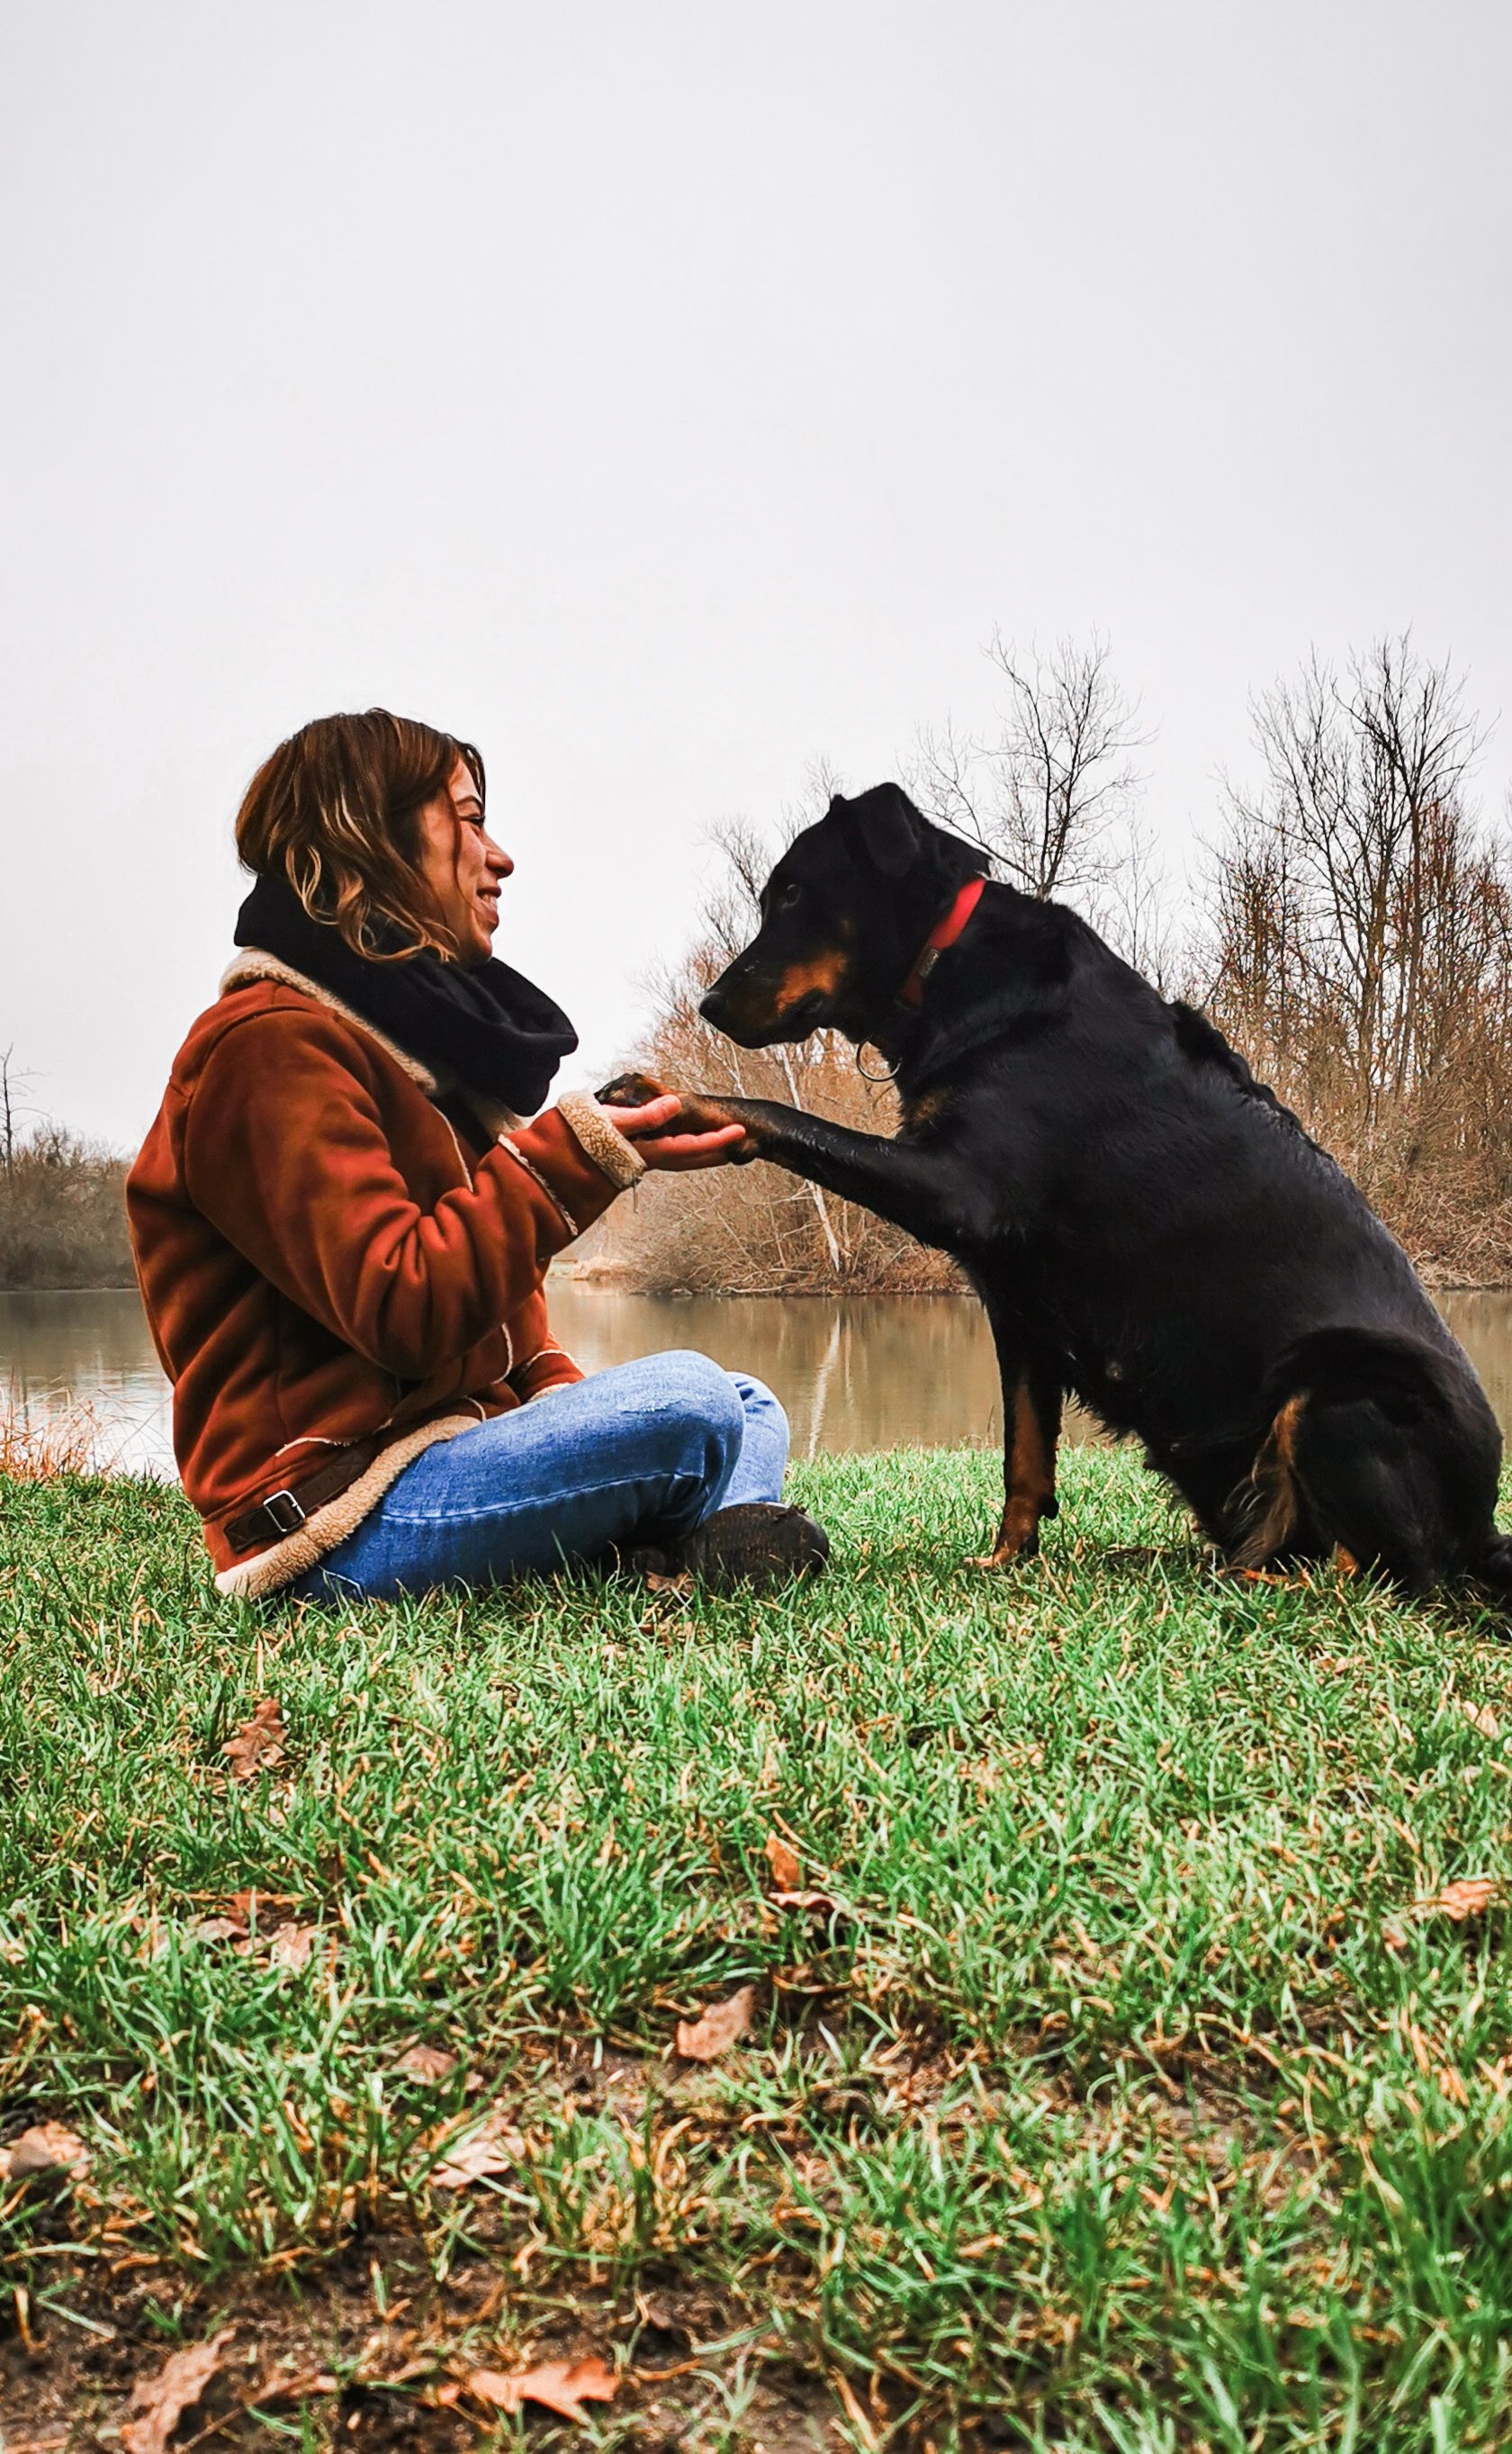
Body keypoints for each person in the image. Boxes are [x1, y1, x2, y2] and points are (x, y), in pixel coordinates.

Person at [127, 710, 830, 1603]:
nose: (499, 856)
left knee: (746, 1400)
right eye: (466, 820)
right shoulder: (267, 1049)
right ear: (367, 840)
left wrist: (568, 1404)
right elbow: (402, 1307)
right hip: (340, 1517)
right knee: (690, 1402)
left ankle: (678, 1542)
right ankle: (673, 1533)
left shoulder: (404, 1061)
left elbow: (513, 1339)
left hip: (448, 1454)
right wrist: (568, 1158)